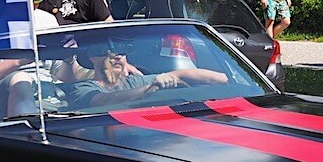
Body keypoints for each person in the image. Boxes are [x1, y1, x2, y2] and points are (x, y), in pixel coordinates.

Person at [66, 41, 227, 111]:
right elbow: (104, 101)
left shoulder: (134, 81)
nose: (115, 57)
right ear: (92, 57)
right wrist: (150, 88)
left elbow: (182, 74)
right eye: (105, 52)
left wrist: (225, 80)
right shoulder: (83, 88)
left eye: (121, 52)